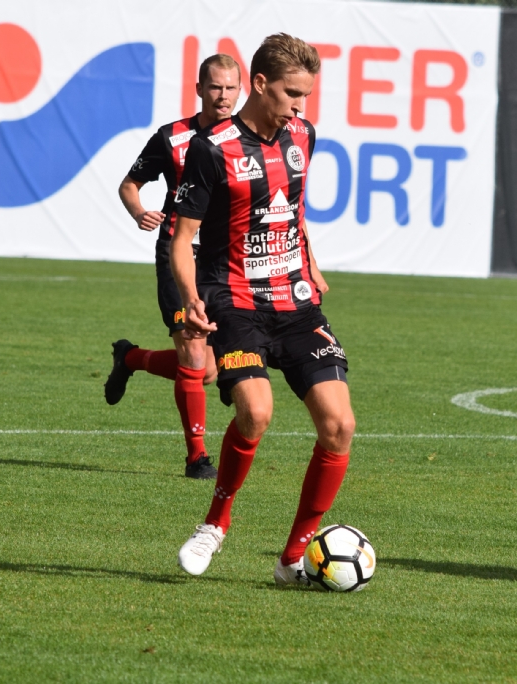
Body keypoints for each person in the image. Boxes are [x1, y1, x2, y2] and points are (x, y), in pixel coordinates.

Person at [169, 33, 350, 586]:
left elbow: (294, 210)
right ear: (262, 83)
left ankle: (292, 559)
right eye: (293, 93)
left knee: (339, 426)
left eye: (307, 95)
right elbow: (183, 238)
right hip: (236, 299)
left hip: (295, 300)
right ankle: (215, 523)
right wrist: (191, 299)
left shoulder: (304, 135)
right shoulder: (212, 148)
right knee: (256, 412)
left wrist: (310, 261)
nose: (301, 106)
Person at [104, 55, 242, 480]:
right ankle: (196, 458)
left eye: (230, 88)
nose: (223, 96)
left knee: (208, 370)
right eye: (215, 87)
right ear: (199, 89)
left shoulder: (248, 139)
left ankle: (131, 358)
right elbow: (130, 184)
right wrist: (138, 212)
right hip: (177, 250)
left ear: (241, 91)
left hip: (223, 259)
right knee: (194, 351)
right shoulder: (172, 137)